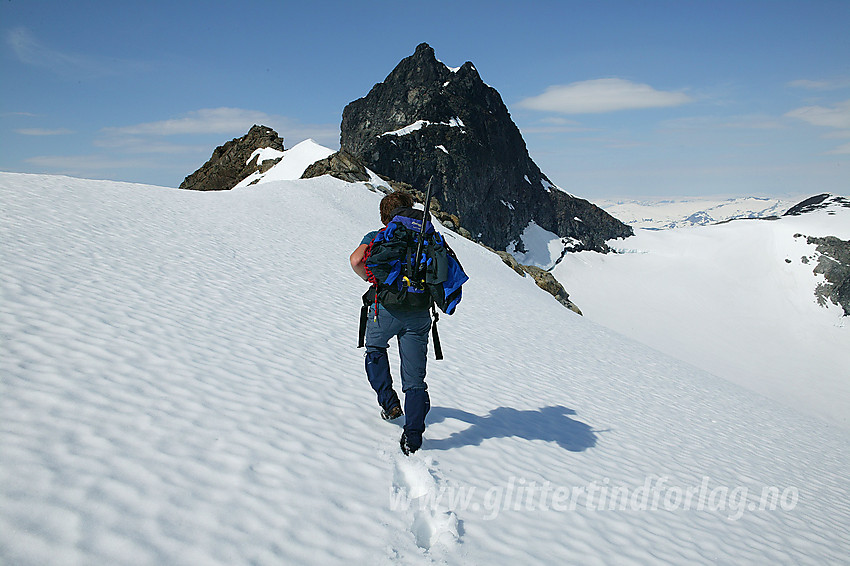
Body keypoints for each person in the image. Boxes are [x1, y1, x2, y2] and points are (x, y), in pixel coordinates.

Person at [349, 191, 432, 456]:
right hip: (418, 311)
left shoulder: (376, 236)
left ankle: (390, 403)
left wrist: (371, 279)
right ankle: (413, 435)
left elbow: (356, 260)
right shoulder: (425, 234)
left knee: (374, 349)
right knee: (415, 377)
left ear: (384, 216)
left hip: (383, 306)